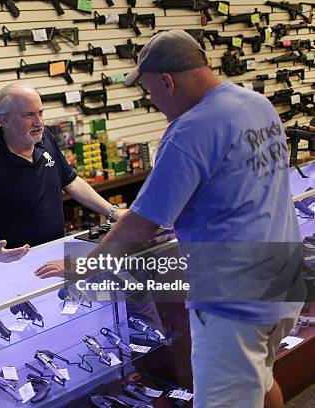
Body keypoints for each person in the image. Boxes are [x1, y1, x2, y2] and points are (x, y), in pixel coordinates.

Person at [35, 31, 305, 408]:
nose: (154, 102)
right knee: (260, 380)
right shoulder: (257, 105)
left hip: (233, 300)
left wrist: (84, 267)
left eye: (150, 91)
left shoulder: (190, 130)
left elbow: (141, 224)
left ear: (167, 81)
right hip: (284, 283)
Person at [0, 83, 126, 263]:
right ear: (5, 121)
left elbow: (72, 181)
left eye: (40, 112)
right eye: (28, 115)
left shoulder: (46, 138)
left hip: (56, 253)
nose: (39, 122)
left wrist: (113, 211)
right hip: (16, 262)